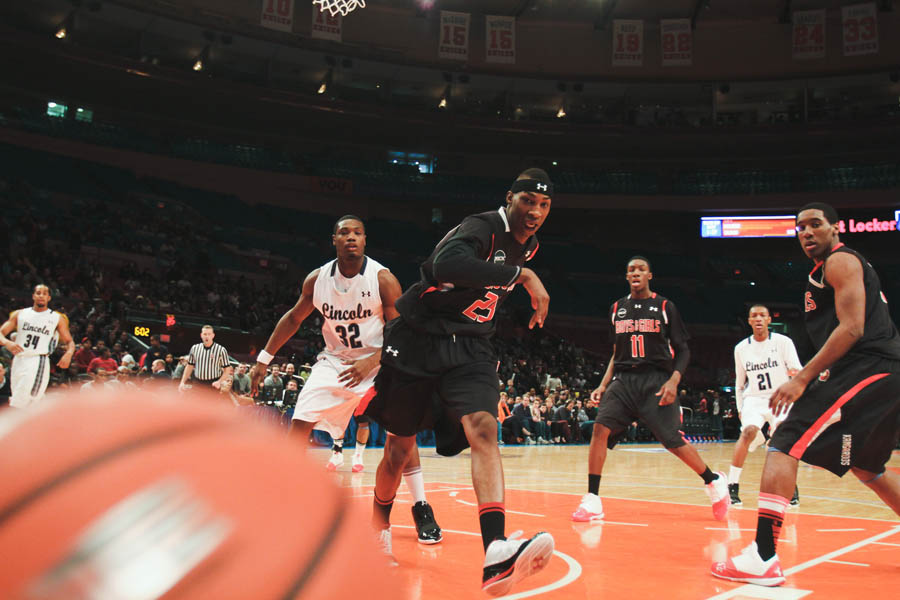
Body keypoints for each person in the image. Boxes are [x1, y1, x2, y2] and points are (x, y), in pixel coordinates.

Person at [363, 168, 555, 596]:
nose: (534, 212)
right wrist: (521, 276)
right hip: (418, 340)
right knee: (398, 450)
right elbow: (442, 265)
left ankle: (496, 555)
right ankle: (378, 527)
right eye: (527, 201)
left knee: (486, 429)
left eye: (543, 206)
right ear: (510, 198)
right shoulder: (481, 226)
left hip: (471, 348)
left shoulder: (531, 245)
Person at [712, 202, 900, 586]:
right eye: (800, 227)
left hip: (868, 367)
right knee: (867, 466)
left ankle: (763, 557)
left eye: (815, 224)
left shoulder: (841, 261)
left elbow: (852, 328)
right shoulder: (831, 269)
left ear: (835, 228)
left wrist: (802, 379)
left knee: (783, 443)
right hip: (879, 371)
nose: (807, 232)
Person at [249, 215, 442, 545]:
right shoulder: (317, 279)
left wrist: (373, 360)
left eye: (357, 233)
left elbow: (402, 333)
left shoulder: (382, 279)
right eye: (344, 232)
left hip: (383, 360)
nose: (350, 237)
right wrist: (263, 360)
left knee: (401, 435)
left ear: (365, 240)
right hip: (335, 362)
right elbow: (295, 317)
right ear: (334, 239)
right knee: (299, 424)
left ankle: (421, 506)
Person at [573, 257, 729, 523]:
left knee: (672, 441)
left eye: (641, 269)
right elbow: (615, 352)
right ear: (626, 276)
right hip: (623, 381)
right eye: (631, 269)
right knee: (599, 429)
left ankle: (713, 481)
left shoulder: (665, 306)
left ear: (649, 275)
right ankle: (593, 499)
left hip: (656, 380)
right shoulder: (616, 308)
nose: (636, 273)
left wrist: (673, 381)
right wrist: (603, 384)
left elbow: (683, 349)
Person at [728, 304, 803, 506]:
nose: (759, 318)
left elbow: (797, 369)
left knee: (781, 438)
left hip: (780, 397)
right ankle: (732, 485)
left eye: (763, 315)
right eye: (754, 316)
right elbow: (739, 384)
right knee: (748, 432)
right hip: (755, 398)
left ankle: (789, 485)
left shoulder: (783, 342)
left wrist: (802, 375)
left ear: (769, 320)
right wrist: (740, 409)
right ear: (750, 321)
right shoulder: (741, 348)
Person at [0, 284, 74, 408]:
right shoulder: (20, 314)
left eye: (45, 294)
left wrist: (69, 354)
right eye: (38, 293)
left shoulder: (56, 318)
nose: (41, 296)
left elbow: (69, 342)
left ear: (49, 298)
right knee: (17, 398)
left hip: (37, 360)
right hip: (19, 359)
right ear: (33, 296)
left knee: (27, 401)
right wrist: (8, 343)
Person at [179, 325, 233, 391]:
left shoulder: (221, 349)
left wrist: (219, 381)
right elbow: (189, 366)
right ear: (201, 335)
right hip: (197, 382)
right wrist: (182, 382)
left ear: (213, 335)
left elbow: (227, 369)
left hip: (213, 383)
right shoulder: (195, 348)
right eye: (205, 334)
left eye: (209, 334)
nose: (206, 336)